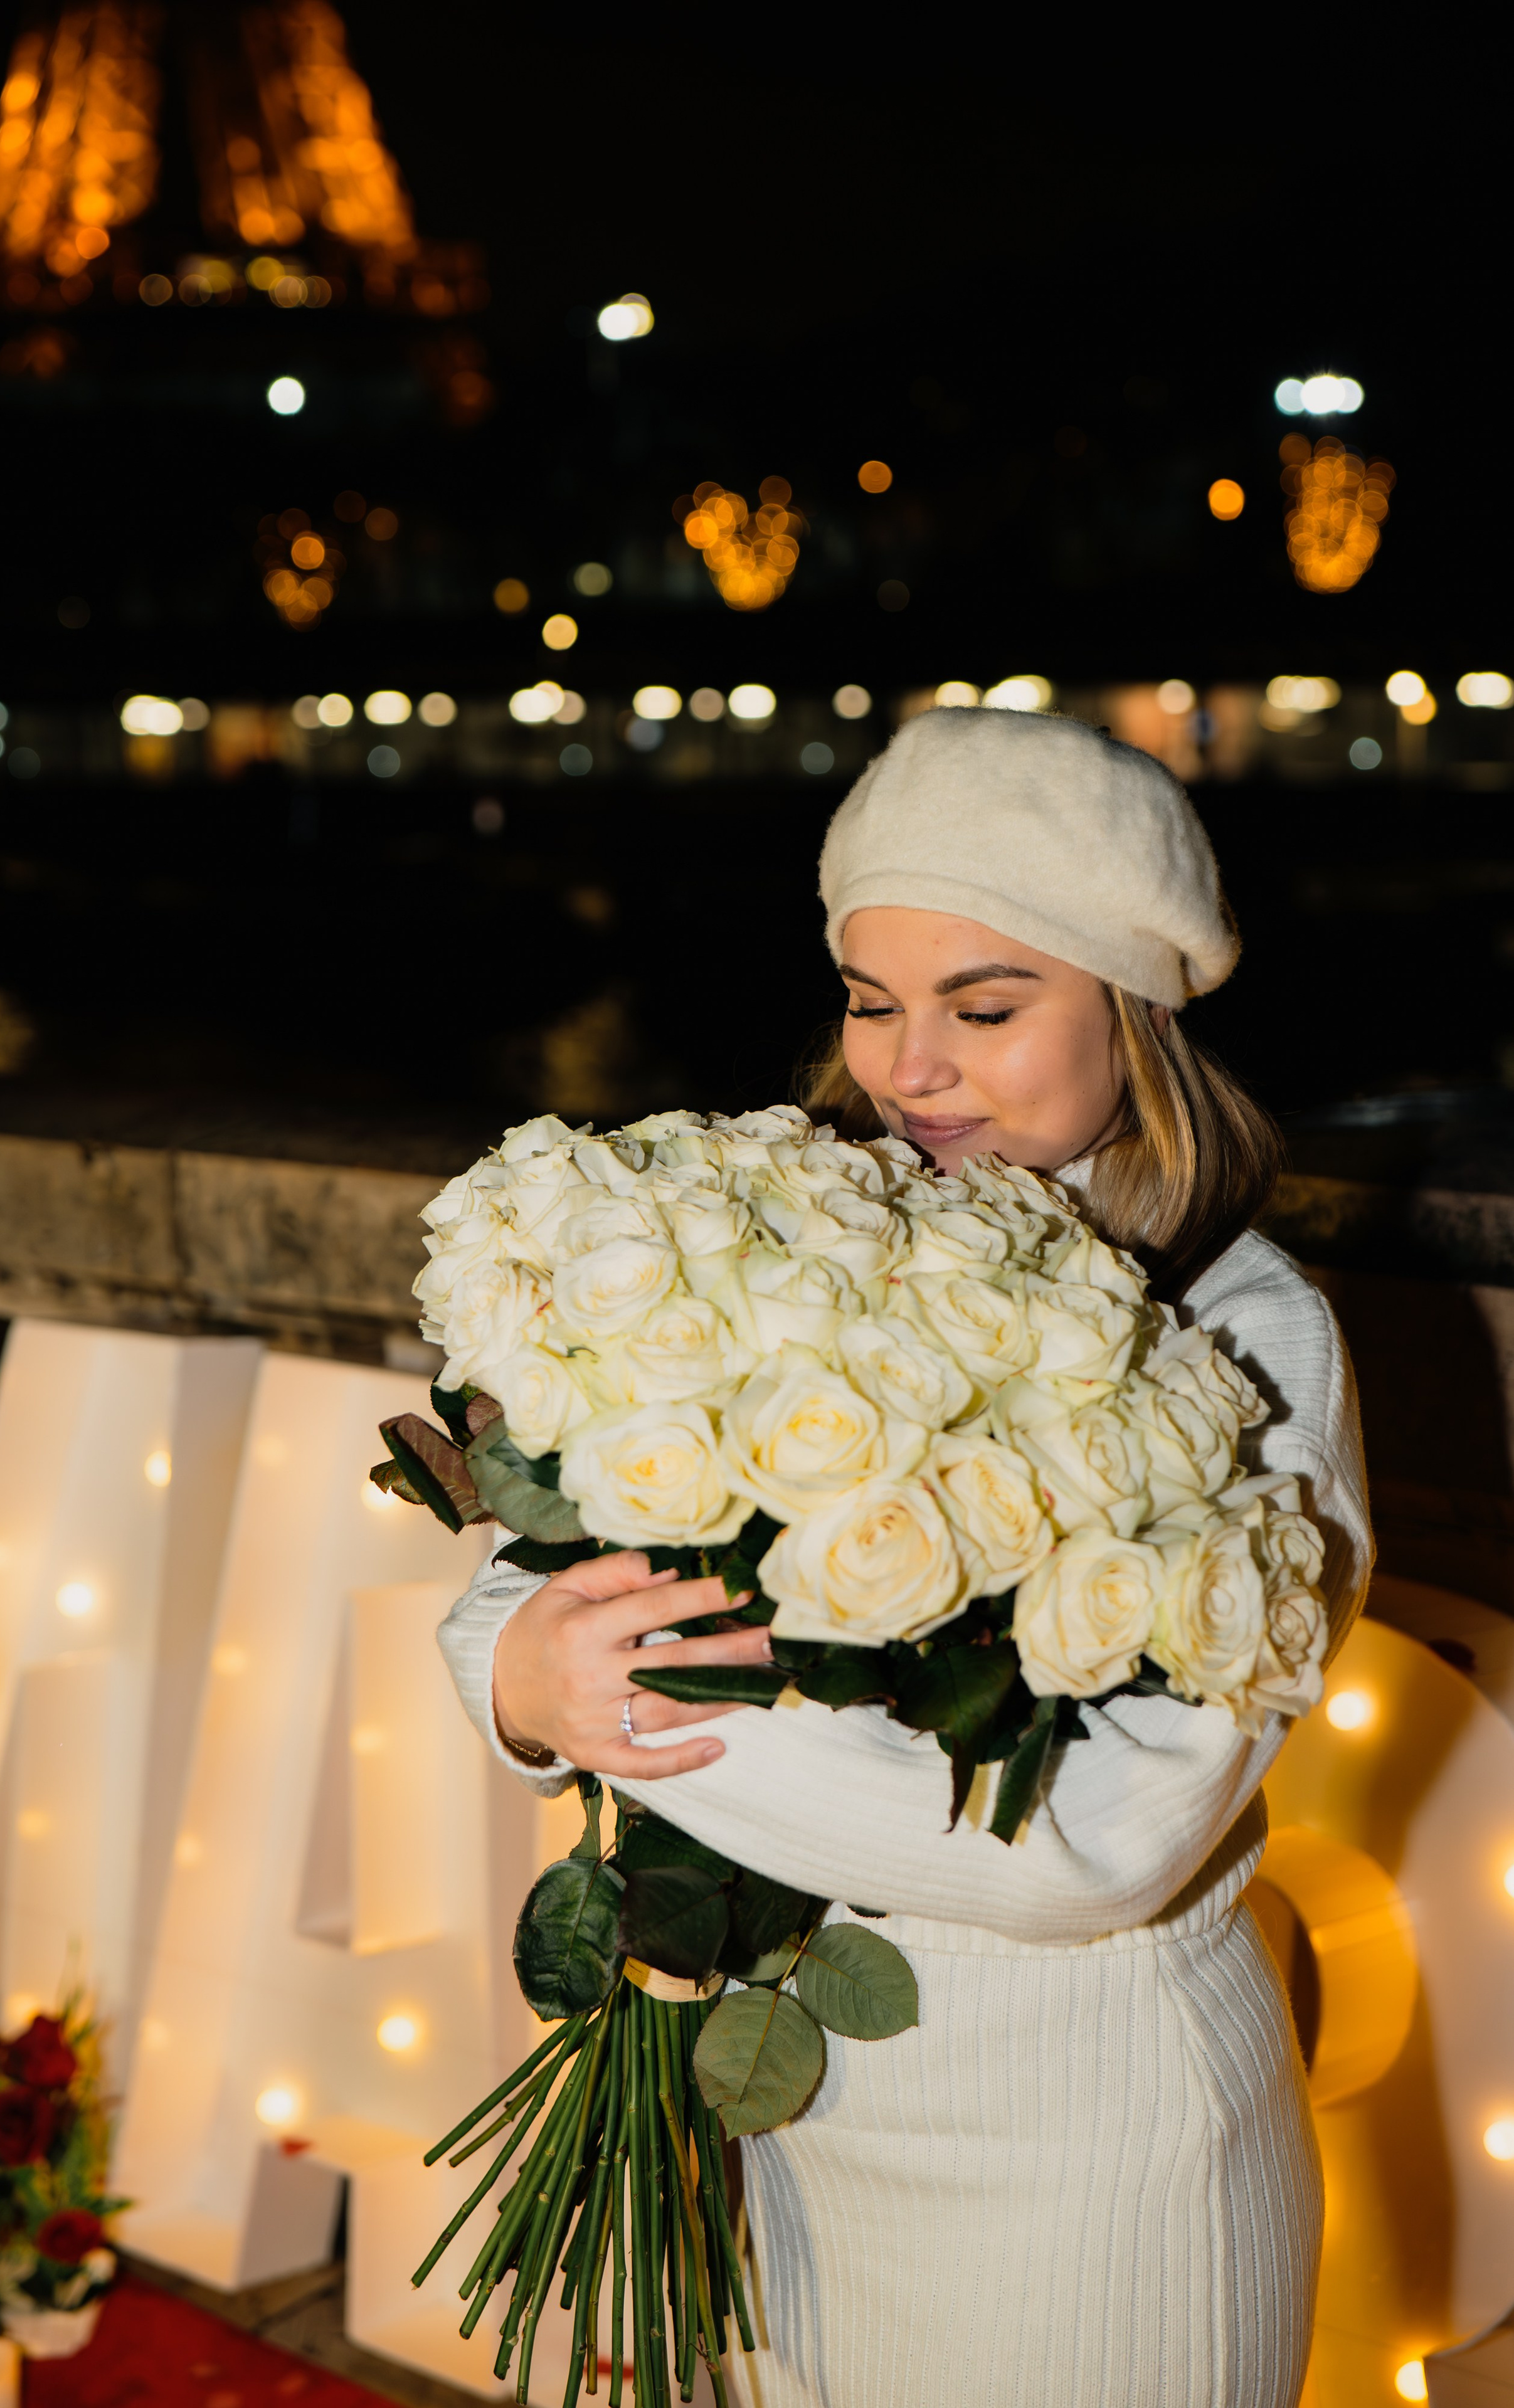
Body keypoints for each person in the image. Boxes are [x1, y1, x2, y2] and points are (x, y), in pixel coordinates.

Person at [437, 705, 1372, 2408]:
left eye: (984, 1008)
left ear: (1140, 1010)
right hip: (793, 2120)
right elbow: (536, 1558)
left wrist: (622, 1704)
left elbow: (1099, 1845)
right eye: (873, 1002)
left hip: (1094, 2162)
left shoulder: (1250, 1330)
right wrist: (515, 1671)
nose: (909, 1068)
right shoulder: (803, 1229)